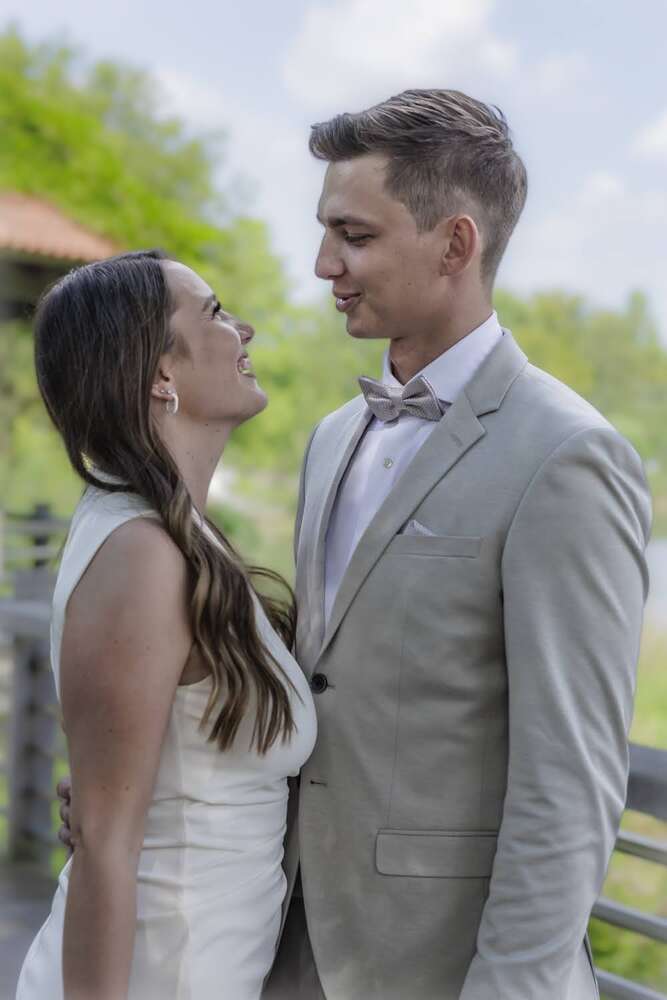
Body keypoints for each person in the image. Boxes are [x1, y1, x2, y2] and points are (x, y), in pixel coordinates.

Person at [262, 90, 651, 998]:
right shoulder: (329, 439)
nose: (324, 264)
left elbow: (572, 778)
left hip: (446, 969)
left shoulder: (567, 454)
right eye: (325, 232)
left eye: (353, 235)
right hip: (289, 943)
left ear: (456, 243)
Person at [17, 250, 317, 1000]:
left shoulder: (174, 536)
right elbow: (106, 846)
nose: (242, 327)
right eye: (214, 313)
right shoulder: (142, 552)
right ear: (158, 374)